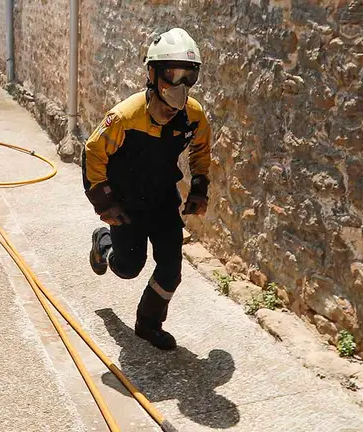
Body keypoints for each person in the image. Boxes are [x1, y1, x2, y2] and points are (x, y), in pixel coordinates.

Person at [82, 28, 211, 351]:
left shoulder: (192, 115)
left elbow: (201, 149)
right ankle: (103, 241)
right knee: (128, 268)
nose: (179, 86)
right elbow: (93, 153)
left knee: (171, 269)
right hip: (125, 203)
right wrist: (105, 204)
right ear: (153, 74)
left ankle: (148, 324)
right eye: (171, 74)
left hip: (163, 200)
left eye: (188, 76)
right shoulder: (124, 118)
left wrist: (199, 187)